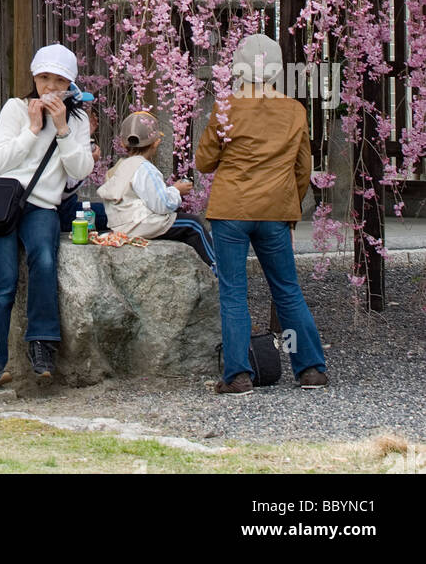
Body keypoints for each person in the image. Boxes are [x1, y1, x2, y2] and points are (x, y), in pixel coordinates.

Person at [195, 32, 329, 394]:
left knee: (234, 292)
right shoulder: (294, 111)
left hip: (231, 208)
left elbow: (205, 161)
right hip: (275, 209)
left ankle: (238, 375)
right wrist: (287, 202)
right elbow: (303, 169)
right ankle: (310, 368)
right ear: (276, 69)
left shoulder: (227, 107)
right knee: (286, 290)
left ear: (239, 66)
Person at [0, 43, 94, 389]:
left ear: (70, 84)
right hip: (3, 204)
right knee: (3, 280)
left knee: (43, 260)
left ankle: (42, 345)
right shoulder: (15, 108)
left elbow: (80, 170)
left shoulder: (78, 119)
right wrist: (31, 129)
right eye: (43, 78)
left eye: (58, 80)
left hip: (42, 206)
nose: (49, 87)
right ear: (34, 76)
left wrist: (62, 130)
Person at [96, 111, 216, 268]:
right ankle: (216, 266)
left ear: (123, 144)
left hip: (120, 224)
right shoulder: (145, 168)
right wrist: (176, 190)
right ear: (156, 143)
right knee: (192, 224)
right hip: (141, 224)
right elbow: (162, 204)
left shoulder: (118, 167)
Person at [58, 93, 108, 233]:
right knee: (114, 215)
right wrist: (90, 161)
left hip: (64, 206)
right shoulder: (60, 136)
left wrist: (86, 135)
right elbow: (69, 185)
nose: (84, 114)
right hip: (62, 209)